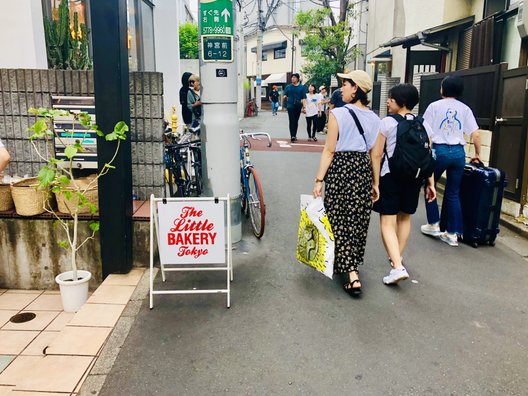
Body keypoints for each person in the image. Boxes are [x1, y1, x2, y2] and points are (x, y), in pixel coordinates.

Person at [313, 70, 380, 297]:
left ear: (356, 88)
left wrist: (319, 179)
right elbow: (374, 154)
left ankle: (350, 272)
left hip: (341, 166)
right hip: (362, 168)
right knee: (357, 218)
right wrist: (375, 182)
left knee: (338, 217)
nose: (341, 88)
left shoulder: (338, 114)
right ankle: (350, 263)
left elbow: (329, 150)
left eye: (345, 84)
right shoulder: (375, 118)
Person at [371, 84, 436, 285]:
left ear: (402, 102)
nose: (388, 101)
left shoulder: (388, 123)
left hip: (391, 176)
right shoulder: (424, 125)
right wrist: (430, 183)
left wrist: (375, 182)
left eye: (391, 98)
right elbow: (427, 156)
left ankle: (397, 266)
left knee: (387, 221)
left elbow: (376, 154)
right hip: (415, 178)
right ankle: (396, 260)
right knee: (404, 218)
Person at [420, 75, 481, 246]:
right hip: (458, 153)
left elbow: (425, 131)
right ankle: (452, 233)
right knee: (453, 192)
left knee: (430, 184)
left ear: (442, 89)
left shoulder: (434, 106)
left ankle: (433, 223)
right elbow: (475, 133)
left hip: (439, 151)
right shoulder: (465, 109)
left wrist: (426, 151)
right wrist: (477, 154)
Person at [283, 73, 307, 142]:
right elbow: (285, 95)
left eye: (294, 77)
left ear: (297, 79)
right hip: (290, 106)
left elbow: (303, 98)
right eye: (292, 77)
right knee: (292, 120)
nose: (292, 79)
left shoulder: (302, 88)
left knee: (296, 121)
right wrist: (285, 98)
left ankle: (294, 135)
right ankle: (292, 136)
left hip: (298, 106)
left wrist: (304, 107)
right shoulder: (288, 87)